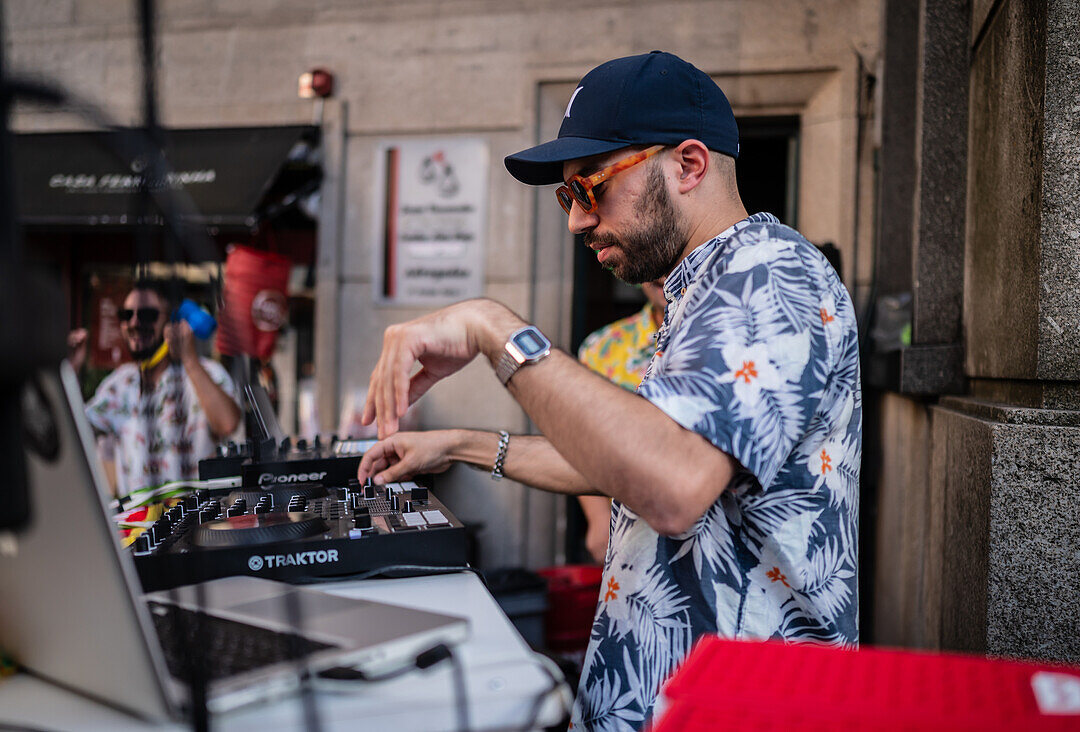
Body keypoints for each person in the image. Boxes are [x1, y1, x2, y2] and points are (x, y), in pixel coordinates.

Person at [356, 51, 861, 731]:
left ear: (688, 164)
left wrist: (494, 328)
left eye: (589, 187)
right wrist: (462, 445)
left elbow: (674, 483)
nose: (575, 221)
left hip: (731, 711)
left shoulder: (770, 277)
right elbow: (635, 460)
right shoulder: (711, 289)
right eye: (567, 197)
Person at [68, 281, 241, 497]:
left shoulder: (207, 372)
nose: (134, 323)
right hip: (138, 528)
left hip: (197, 525)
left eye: (147, 315)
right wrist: (69, 372)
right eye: (126, 314)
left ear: (173, 322)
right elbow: (73, 433)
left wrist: (188, 358)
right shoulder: (119, 384)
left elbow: (227, 423)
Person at [576, 279, 667, 565]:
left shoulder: (731, 339)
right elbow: (582, 439)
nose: (665, 274)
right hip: (627, 532)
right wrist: (598, 518)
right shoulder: (603, 347)